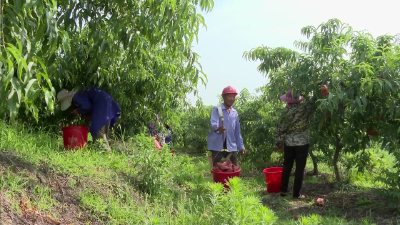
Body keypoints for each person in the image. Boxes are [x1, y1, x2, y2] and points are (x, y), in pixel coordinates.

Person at [275, 85, 329, 199]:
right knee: (300, 168)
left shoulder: (284, 113)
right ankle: (296, 194)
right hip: (302, 143)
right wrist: (323, 87)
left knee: (287, 166)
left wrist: (279, 144)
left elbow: (279, 129)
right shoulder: (305, 108)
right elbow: (315, 101)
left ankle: (283, 191)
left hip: (289, 143)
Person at [57, 87, 121, 152]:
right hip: (106, 103)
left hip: (102, 106)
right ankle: (100, 152)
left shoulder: (76, 96)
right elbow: (89, 105)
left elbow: (87, 106)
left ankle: (106, 154)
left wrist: (77, 110)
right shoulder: (80, 92)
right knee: (101, 131)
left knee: (99, 133)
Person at [207, 85, 246, 166]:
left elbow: (237, 132)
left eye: (233, 97)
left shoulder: (234, 113)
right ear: (224, 97)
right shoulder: (217, 109)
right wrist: (218, 129)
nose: (232, 99)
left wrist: (241, 147)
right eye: (230, 96)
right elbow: (214, 123)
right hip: (217, 147)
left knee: (234, 169)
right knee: (218, 170)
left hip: (231, 146)